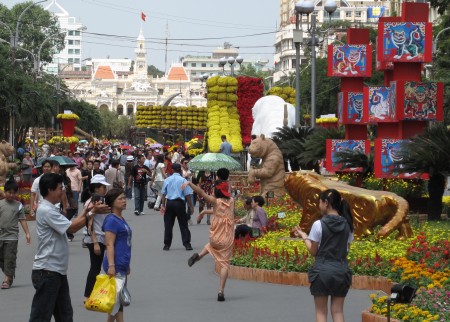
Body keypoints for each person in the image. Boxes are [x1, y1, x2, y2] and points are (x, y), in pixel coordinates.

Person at [28, 173, 100, 322]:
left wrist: (88, 211)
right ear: (50, 190)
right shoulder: (46, 210)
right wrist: (92, 212)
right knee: (41, 316)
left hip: (56, 271)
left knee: (65, 315)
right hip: (48, 271)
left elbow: (72, 224)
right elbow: (72, 228)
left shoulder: (51, 208)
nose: (63, 191)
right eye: (60, 188)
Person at [293, 189, 354, 322]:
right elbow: (346, 250)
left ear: (326, 203)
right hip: (341, 271)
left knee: (321, 312)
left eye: (320, 202)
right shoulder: (348, 225)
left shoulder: (318, 224)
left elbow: (314, 252)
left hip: (322, 271)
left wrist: (304, 237)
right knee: (338, 311)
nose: (319, 205)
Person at [182, 179, 234, 302]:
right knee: (225, 264)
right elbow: (228, 191)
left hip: (215, 237)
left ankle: (199, 256)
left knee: (211, 245)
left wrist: (189, 183)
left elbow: (201, 192)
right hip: (227, 237)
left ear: (216, 191)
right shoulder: (231, 202)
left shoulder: (215, 201)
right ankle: (221, 291)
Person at [103, 188, 132, 322]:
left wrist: (127, 265)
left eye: (124, 198)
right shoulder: (112, 220)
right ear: (112, 203)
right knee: (117, 302)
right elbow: (109, 244)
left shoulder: (120, 218)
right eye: (120, 199)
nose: (124, 201)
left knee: (116, 302)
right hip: (115, 265)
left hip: (121, 264)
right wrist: (111, 265)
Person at [82, 175, 111, 303]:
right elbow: (90, 223)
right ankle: (87, 296)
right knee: (95, 267)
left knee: (100, 266)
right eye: (103, 187)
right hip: (96, 238)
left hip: (102, 237)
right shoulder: (91, 202)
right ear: (97, 188)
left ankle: (98, 292)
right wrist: (95, 243)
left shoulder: (99, 200)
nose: (105, 189)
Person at [0, 179, 31, 289]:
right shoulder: (1, 204)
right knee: (2, 259)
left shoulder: (18, 205)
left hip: (12, 236)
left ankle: (7, 279)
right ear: (5, 192)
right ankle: (9, 273)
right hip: (1, 236)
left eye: (14, 193)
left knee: (10, 257)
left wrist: (27, 233)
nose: (12, 195)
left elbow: (22, 219)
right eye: (9, 192)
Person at [160, 163, 194, 251]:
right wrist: (190, 206)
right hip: (179, 203)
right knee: (183, 224)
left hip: (170, 203)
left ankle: (166, 244)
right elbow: (187, 195)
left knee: (168, 224)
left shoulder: (168, 179)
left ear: (172, 170)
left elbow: (163, 194)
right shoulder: (183, 180)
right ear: (180, 170)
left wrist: (163, 205)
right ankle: (187, 244)